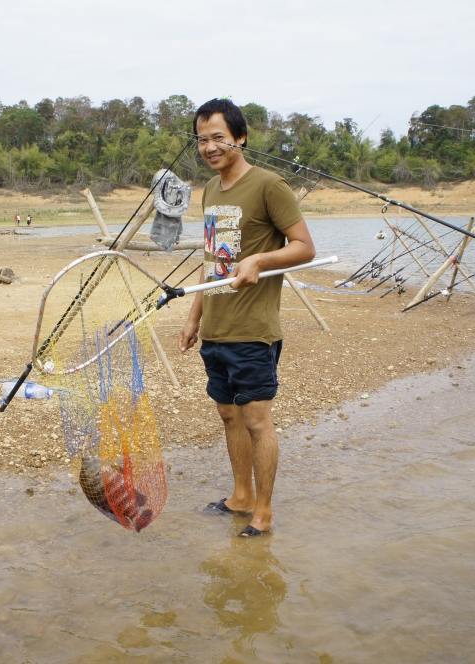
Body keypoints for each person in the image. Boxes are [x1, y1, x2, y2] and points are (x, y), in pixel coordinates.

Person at [178, 98, 316, 537]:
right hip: (216, 327)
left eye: (218, 137)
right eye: (202, 140)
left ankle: (265, 512)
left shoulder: (269, 185)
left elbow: (304, 247)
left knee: (257, 420)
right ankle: (240, 496)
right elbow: (211, 262)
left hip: (253, 330)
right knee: (228, 416)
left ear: (240, 137)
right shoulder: (211, 191)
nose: (210, 147)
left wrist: (259, 260)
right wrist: (194, 316)